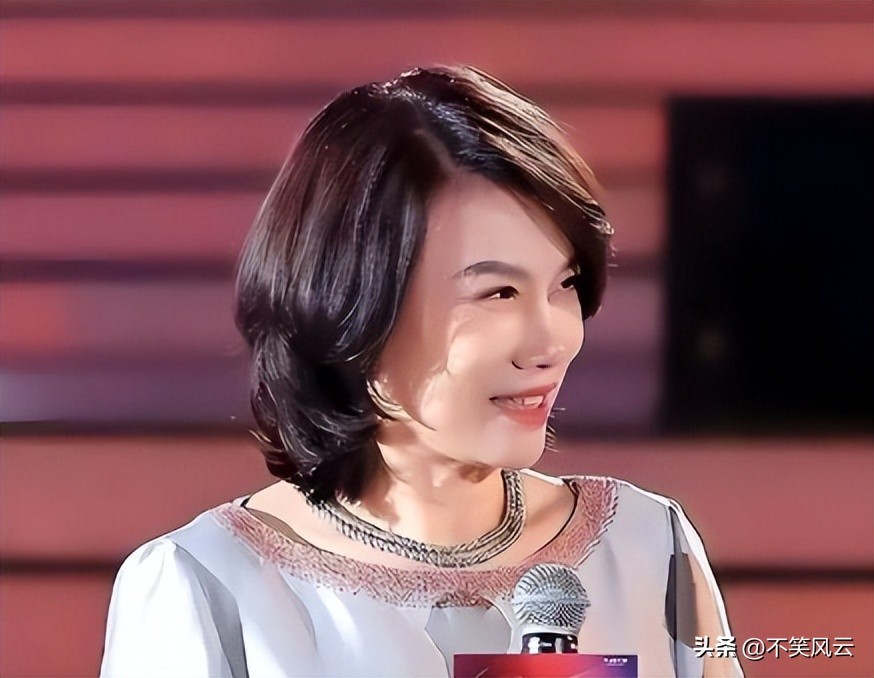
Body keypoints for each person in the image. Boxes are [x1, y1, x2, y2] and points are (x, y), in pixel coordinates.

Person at [100, 65, 742, 677]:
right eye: (498, 293)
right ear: (354, 307)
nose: (552, 341)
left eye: (565, 284)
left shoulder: (644, 548)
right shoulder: (209, 588)